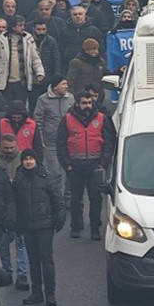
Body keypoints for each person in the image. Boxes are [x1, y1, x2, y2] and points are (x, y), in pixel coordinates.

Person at [56, 91, 116, 240]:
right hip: (75, 166)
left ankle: (95, 228)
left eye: (89, 103)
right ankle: (75, 226)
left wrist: (103, 163)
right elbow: (60, 144)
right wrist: (67, 164)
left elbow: (109, 143)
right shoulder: (67, 119)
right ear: (77, 104)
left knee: (96, 200)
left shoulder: (101, 118)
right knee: (75, 199)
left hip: (95, 165)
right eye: (84, 103)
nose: (87, 106)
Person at [12, 150, 64, 306]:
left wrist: (59, 219)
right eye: (25, 159)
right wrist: (16, 223)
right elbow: (14, 203)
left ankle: (50, 294)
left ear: (36, 160)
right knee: (33, 261)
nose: (28, 162)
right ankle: (36, 293)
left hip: (44, 225)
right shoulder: (18, 180)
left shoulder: (46, 177)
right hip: (27, 226)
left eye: (31, 159)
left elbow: (57, 199)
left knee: (46, 260)